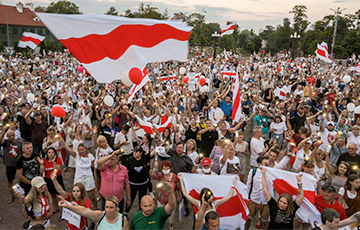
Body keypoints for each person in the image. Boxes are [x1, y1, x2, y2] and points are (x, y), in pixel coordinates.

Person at [58, 195, 129, 230]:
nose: (108, 210)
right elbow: (84, 211)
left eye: (111, 208)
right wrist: (67, 206)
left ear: (117, 207)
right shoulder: (100, 216)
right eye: (106, 207)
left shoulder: (123, 220)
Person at [62, 142, 98, 209]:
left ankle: (96, 209)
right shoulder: (77, 156)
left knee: (92, 197)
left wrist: (95, 177)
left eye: (82, 149)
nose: (81, 151)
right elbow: (69, 150)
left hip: (88, 177)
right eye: (80, 150)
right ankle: (80, 209)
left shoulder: (90, 156)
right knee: (78, 196)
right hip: (79, 178)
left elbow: (94, 168)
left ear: (86, 149)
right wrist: (64, 143)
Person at [124, 145, 156, 213]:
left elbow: (152, 154)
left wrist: (160, 146)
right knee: (130, 199)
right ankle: (126, 213)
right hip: (133, 184)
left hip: (143, 184)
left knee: (142, 199)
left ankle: (142, 212)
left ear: (141, 153)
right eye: (134, 151)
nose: (135, 153)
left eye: (137, 152)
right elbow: (126, 172)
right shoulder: (129, 160)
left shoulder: (144, 158)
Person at [151, 160, 180, 230]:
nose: (165, 170)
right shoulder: (160, 175)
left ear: (170, 168)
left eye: (167, 168)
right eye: (164, 169)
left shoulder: (174, 176)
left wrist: (180, 196)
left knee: (172, 214)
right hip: (161, 199)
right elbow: (153, 175)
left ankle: (170, 225)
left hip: (172, 200)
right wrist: (155, 167)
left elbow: (178, 187)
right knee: (160, 213)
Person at [0, 125, 23, 204]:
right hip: (9, 165)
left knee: (20, 179)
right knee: (10, 180)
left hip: (18, 164)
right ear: (7, 136)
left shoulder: (20, 142)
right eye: (9, 136)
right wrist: (3, 133)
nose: (12, 137)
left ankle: (20, 193)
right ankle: (11, 194)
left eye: (13, 135)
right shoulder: (6, 142)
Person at [40, 147, 64, 213]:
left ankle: (64, 209)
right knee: (52, 195)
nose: (51, 154)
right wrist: (41, 164)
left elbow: (57, 169)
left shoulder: (58, 159)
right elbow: (41, 171)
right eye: (49, 152)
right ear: (47, 154)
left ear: (55, 153)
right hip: (48, 179)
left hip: (57, 178)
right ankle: (56, 207)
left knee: (60, 194)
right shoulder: (44, 161)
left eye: (52, 152)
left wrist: (53, 163)